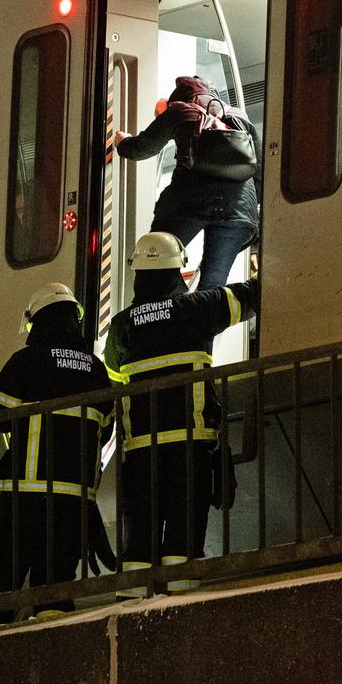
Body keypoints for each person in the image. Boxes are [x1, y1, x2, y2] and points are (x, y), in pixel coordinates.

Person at [110, 231, 259, 597]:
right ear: (179, 269)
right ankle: (179, 587)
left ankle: (132, 590)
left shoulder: (122, 324)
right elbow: (251, 297)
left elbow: (114, 375)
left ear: (137, 273)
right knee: (184, 515)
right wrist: (258, 271)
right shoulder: (197, 308)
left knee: (140, 521)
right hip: (189, 439)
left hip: (141, 444)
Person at [0, 284, 119, 623]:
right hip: (75, 498)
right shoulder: (96, 369)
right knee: (55, 588)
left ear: (37, 320)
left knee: (1, 586)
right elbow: (107, 428)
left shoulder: (27, 361)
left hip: (26, 496)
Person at [114, 77, 257, 290]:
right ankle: (198, 318)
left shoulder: (181, 110)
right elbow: (261, 170)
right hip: (239, 212)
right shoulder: (239, 116)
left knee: (154, 263)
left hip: (189, 205)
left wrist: (123, 141)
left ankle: (174, 311)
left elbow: (142, 148)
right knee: (212, 287)